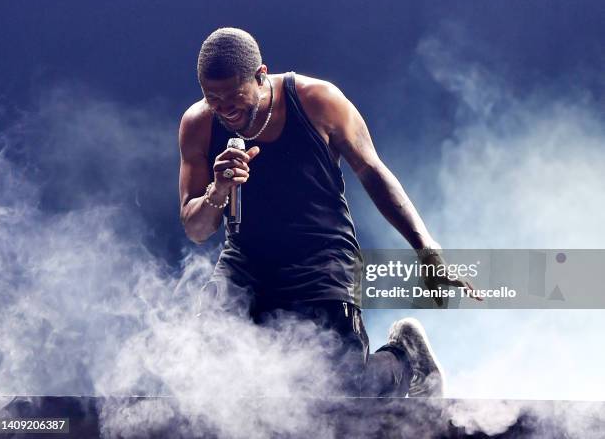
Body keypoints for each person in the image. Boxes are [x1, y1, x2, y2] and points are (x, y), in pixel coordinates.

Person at [179, 27, 477, 397]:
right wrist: (218, 189)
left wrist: (424, 247)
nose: (224, 110)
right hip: (247, 263)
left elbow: (372, 171)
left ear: (260, 76)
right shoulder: (198, 125)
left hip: (323, 260)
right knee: (205, 350)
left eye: (234, 97)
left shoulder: (317, 100)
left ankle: (407, 359)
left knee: (342, 392)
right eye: (213, 99)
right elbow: (196, 229)